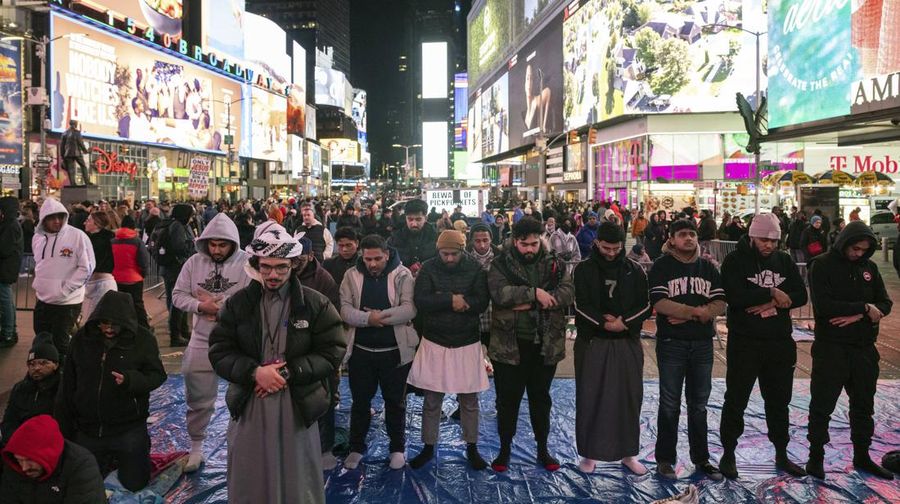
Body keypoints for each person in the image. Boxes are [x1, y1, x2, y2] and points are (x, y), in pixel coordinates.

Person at [208, 223, 346, 503]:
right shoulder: (237, 304)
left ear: (293, 265)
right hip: (251, 402)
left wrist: (287, 372)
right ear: (256, 264)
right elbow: (220, 350)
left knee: (297, 477)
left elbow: (333, 350)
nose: (273, 274)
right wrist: (255, 373)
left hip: (297, 403)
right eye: (267, 266)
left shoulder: (316, 303)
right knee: (250, 473)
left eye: (281, 267)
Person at [718, 213, 808, 479]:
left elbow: (801, 294)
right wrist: (770, 292)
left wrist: (773, 303)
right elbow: (733, 296)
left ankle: (781, 452)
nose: (768, 245)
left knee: (779, 401)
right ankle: (729, 453)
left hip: (778, 341)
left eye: (773, 240)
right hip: (745, 342)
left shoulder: (784, 261)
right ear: (752, 236)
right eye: (763, 239)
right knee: (736, 399)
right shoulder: (736, 260)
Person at [805, 221, 894, 480]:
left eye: (863, 250)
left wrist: (859, 314)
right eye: (855, 248)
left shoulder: (870, 267)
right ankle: (816, 458)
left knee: (863, 406)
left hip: (864, 349)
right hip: (832, 349)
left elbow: (885, 303)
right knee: (822, 405)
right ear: (845, 242)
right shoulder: (821, 265)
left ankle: (862, 455)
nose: (858, 254)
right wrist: (865, 309)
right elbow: (824, 306)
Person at [486, 217, 575, 472]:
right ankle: (504, 450)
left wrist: (531, 301)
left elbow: (568, 291)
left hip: (545, 345)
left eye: (534, 244)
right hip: (509, 347)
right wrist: (536, 293)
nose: (529, 249)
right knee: (508, 401)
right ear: (515, 241)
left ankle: (542, 449)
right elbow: (499, 294)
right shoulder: (501, 263)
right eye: (524, 244)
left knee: (540, 399)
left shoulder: (555, 264)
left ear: (541, 241)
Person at [55, 291, 166, 492]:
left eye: (114, 324)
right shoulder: (82, 340)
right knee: (81, 485)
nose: (108, 329)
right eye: (103, 323)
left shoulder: (143, 340)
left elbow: (157, 375)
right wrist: (65, 426)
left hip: (127, 427)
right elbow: (68, 383)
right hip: (88, 427)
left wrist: (131, 380)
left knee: (135, 484)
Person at [172, 213, 251, 473]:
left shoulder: (247, 264)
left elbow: (254, 297)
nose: (217, 250)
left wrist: (223, 307)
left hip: (236, 341)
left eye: (223, 245)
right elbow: (177, 295)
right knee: (197, 395)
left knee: (243, 395)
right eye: (213, 244)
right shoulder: (194, 262)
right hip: (201, 339)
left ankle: (242, 446)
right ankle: (196, 446)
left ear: (232, 243)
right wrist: (199, 305)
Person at [648, 219, 726, 480]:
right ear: (671, 239)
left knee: (699, 405)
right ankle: (665, 459)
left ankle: (701, 459)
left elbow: (721, 303)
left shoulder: (708, 267)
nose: (689, 238)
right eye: (682, 234)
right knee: (669, 403)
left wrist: (690, 315)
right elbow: (660, 302)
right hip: (672, 343)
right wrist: (697, 312)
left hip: (702, 344)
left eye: (692, 234)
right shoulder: (662, 266)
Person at [407, 230, 490, 470]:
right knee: (432, 400)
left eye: (454, 254)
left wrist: (453, 302)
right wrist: (451, 300)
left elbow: (482, 301)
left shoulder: (474, 268)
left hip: (467, 340)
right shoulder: (429, 268)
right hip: (435, 340)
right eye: (445, 254)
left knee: (469, 400)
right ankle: (428, 446)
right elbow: (421, 300)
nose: (450, 258)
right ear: (438, 251)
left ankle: (472, 447)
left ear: (462, 251)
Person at [573, 222, 651, 475]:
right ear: (597, 243)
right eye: (606, 248)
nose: (611, 253)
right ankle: (589, 454)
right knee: (590, 397)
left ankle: (628, 454)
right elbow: (579, 304)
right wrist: (602, 324)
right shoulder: (583, 269)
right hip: (593, 342)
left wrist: (623, 323)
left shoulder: (635, 270)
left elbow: (646, 304)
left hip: (626, 342)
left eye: (616, 248)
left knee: (629, 397)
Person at [340, 234, 418, 470]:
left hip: (394, 352)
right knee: (360, 402)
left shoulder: (403, 275)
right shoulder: (351, 275)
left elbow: (409, 309)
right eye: (367, 259)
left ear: (387, 254)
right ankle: (356, 447)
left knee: (395, 402)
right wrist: (367, 318)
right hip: (361, 353)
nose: (372, 264)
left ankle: (397, 448)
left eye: (377, 259)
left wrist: (376, 317)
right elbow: (345, 310)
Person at [32, 198, 95, 364]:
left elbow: (87, 267)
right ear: (44, 219)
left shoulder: (77, 236)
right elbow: (40, 264)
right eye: (52, 217)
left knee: (61, 343)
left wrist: (65, 289)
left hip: (67, 302)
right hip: (43, 300)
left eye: (60, 217)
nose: (57, 221)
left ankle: (66, 377)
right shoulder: (37, 238)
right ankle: (47, 377)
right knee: (42, 341)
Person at [0, 415, 105, 502]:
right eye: (19, 460)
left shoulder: (81, 466)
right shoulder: (14, 466)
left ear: (47, 454)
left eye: (30, 460)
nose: (24, 467)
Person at [0, 333, 60, 447]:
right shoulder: (20, 388)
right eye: (31, 364)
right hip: (19, 443)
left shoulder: (62, 389)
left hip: (48, 446)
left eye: (43, 363)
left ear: (55, 365)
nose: (36, 368)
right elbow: (9, 420)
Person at [157, 204, 196, 347]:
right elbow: (180, 247)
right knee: (178, 302)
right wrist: (192, 245)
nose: (192, 219)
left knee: (175, 300)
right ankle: (176, 334)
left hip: (170, 268)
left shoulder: (173, 224)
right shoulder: (178, 227)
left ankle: (182, 330)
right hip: (176, 268)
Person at [112, 215, 152, 329]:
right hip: (134, 278)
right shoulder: (137, 242)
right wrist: (143, 274)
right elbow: (143, 262)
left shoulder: (112, 241)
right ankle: (144, 329)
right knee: (137, 305)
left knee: (120, 306)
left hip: (116, 279)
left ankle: (123, 328)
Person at [81, 211, 118, 322]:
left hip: (102, 283)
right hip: (92, 283)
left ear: (96, 223)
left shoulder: (102, 241)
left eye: (88, 220)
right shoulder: (94, 239)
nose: (85, 222)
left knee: (97, 319)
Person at [388, 199, 438, 277]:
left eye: (418, 219)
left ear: (426, 218)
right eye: (410, 219)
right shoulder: (395, 239)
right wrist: (406, 270)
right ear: (405, 218)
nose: (414, 224)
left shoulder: (436, 238)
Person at [0, 197, 23, 348]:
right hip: (7, 269)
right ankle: (9, 331)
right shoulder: (11, 224)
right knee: (7, 301)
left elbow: (4, 248)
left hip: (4, 269)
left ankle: (8, 333)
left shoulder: (10, 226)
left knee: (5, 301)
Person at [60, 120, 91, 186]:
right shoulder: (77, 132)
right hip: (76, 153)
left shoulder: (64, 133)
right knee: (83, 166)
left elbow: (62, 147)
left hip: (68, 154)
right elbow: (81, 143)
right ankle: (87, 182)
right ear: (75, 124)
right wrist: (85, 151)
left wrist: (63, 156)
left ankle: (73, 184)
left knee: (70, 169)